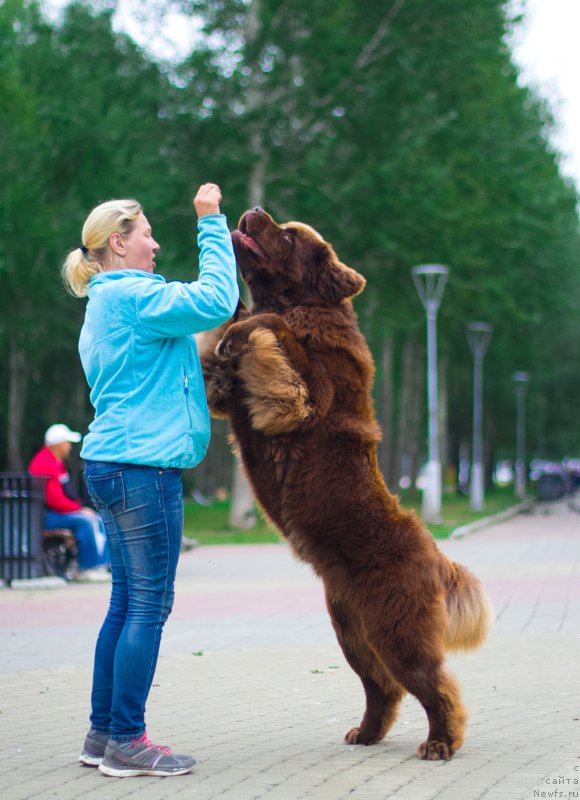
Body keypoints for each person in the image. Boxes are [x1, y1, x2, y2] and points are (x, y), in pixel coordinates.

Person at [62, 184, 239, 778]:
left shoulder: (103, 305)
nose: (155, 244)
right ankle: (129, 742)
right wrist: (210, 220)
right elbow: (218, 298)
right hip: (143, 470)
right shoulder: (136, 295)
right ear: (119, 242)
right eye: (146, 234)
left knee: (125, 602)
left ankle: (102, 735)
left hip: (111, 465)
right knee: (148, 607)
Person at [28, 424, 110, 582]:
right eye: (67, 442)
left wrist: (78, 508)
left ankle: (101, 565)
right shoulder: (46, 463)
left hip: (53, 513)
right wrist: (79, 509)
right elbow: (54, 500)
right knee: (85, 521)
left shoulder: (55, 461)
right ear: (58, 444)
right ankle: (86, 568)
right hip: (46, 516)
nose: (70, 446)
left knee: (98, 519)